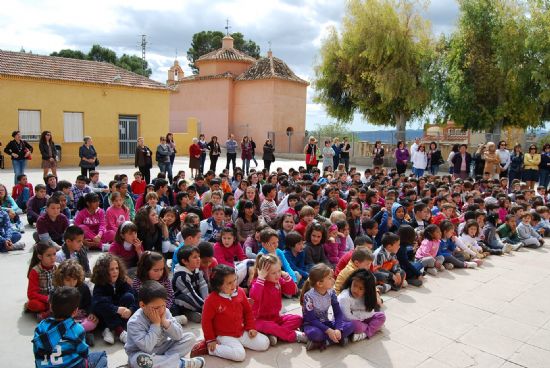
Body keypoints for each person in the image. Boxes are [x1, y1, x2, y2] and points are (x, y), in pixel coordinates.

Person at [191, 264, 270, 361]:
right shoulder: (211, 300)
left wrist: (251, 327)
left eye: (235, 280)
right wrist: (210, 339)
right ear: (218, 286)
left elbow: (248, 312)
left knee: (265, 343)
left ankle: (236, 345)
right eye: (229, 283)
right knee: (240, 355)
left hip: (241, 331)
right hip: (224, 335)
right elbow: (206, 321)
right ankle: (211, 349)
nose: (234, 285)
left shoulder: (240, 292)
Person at [125, 280, 205, 368]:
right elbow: (147, 347)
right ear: (142, 305)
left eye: (163, 305)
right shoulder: (134, 322)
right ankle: (180, 364)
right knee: (139, 361)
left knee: (190, 337)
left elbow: (178, 335)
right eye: (156, 307)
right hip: (142, 353)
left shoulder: (165, 312)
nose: (161, 310)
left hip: (164, 348)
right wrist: (156, 324)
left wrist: (165, 322)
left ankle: (165, 363)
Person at [33, 286, 108, 368]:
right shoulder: (76, 329)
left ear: (51, 306)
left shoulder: (41, 326)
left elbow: (36, 352)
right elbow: (84, 353)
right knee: (101, 355)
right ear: (75, 311)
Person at [249, 254, 306, 345]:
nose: (277, 275)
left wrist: (286, 276)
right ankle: (294, 335)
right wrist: (261, 278)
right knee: (271, 326)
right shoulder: (258, 283)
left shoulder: (278, 281)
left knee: (298, 319)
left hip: (276, 318)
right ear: (264, 273)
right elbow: (254, 296)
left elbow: (291, 290)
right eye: (273, 273)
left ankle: (275, 334)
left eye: (279, 271)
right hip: (259, 321)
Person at [300, 263, 354, 351]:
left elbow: (338, 313)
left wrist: (338, 329)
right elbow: (312, 320)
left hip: (326, 322)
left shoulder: (331, 292)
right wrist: (329, 331)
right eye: (329, 278)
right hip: (312, 325)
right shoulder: (308, 296)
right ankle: (333, 340)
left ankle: (322, 342)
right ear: (319, 283)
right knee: (314, 333)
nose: (333, 280)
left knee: (351, 325)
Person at [91, 253, 137, 345]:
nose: (115, 271)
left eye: (117, 268)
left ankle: (110, 329)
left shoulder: (122, 281)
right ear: (103, 271)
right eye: (111, 269)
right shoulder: (100, 285)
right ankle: (118, 331)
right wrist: (116, 309)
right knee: (104, 304)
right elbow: (97, 304)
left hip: (119, 315)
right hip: (105, 316)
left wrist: (130, 310)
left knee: (129, 296)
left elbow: (135, 298)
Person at [52, 260, 98, 342]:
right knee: (53, 324)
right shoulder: (58, 291)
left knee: (92, 323)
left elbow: (89, 303)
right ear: (61, 279)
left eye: (74, 279)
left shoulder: (83, 288)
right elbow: (54, 310)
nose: (72, 283)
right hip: (63, 319)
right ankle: (81, 334)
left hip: (80, 318)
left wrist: (91, 313)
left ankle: (75, 332)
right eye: (68, 280)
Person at [337, 268, 386, 342]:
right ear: (351, 282)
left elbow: (371, 311)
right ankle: (372, 329)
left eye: (361, 288)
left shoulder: (367, 296)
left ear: (367, 290)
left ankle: (365, 334)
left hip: (362, 317)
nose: (356, 290)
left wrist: (361, 317)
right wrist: (361, 319)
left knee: (381, 316)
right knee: (356, 325)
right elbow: (347, 317)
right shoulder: (344, 297)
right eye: (355, 285)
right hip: (350, 320)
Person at [172, 246, 209, 323]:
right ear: (185, 261)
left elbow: (203, 286)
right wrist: (206, 307)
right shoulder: (181, 276)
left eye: (199, 256)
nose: (198, 259)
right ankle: (189, 313)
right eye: (195, 257)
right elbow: (190, 294)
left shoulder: (196, 269)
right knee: (184, 298)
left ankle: (196, 312)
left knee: (210, 289)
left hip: (194, 297)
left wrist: (207, 301)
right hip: (183, 300)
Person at [26, 242, 57, 318]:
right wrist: (48, 299)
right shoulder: (35, 271)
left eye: (54, 254)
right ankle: (47, 311)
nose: (52, 258)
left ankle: (50, 311)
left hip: (55, 298)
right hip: (43, 300)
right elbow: (31, 294)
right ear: (40, 257)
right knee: (34, 304)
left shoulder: (57, 267)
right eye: (48, 255)